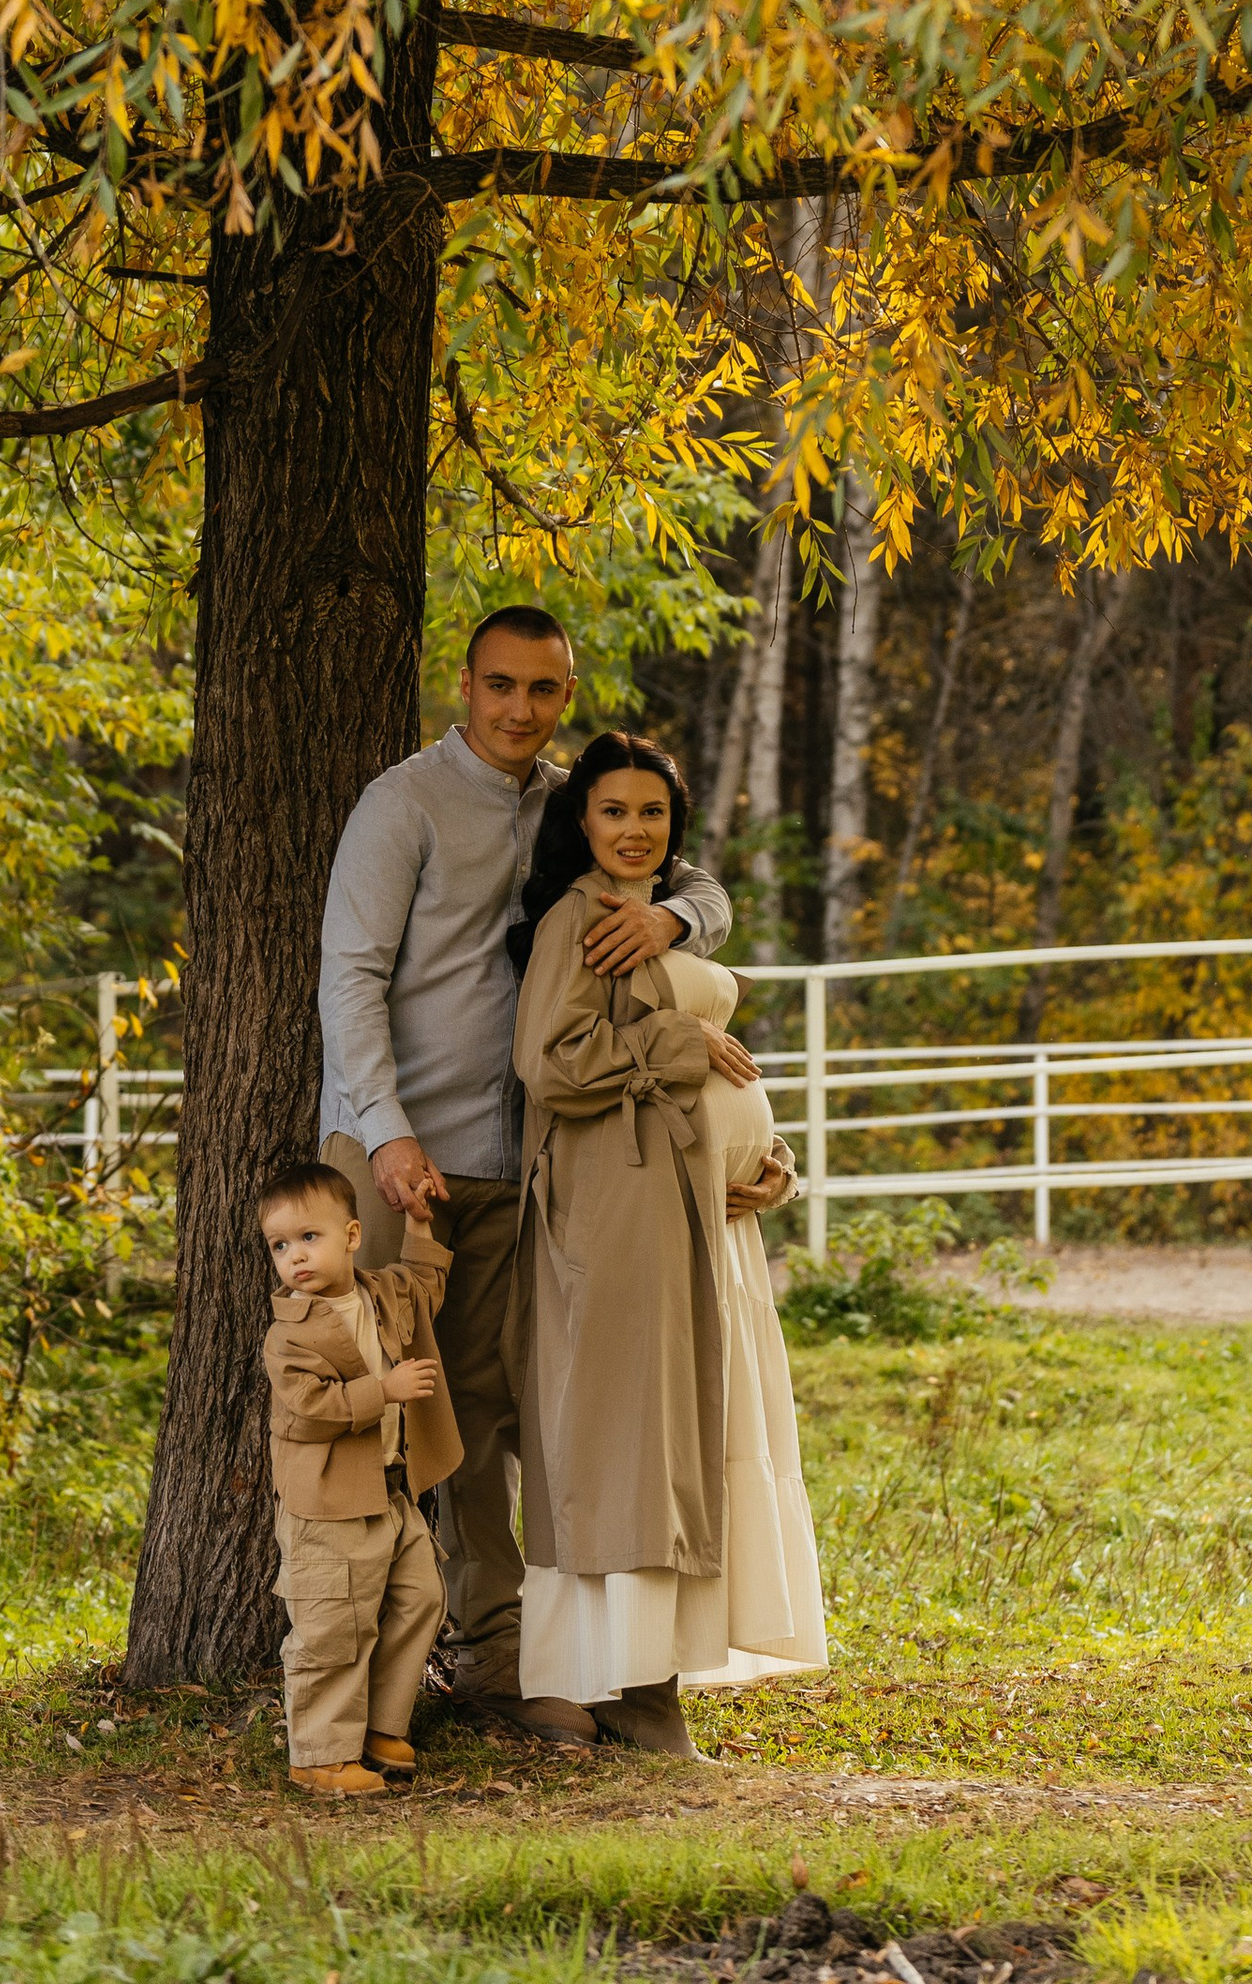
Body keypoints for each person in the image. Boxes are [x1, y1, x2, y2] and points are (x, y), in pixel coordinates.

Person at [317, 603, 795, 1748]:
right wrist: (386, 1134)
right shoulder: (404, 805)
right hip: (409, 1157)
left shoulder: (570, 806)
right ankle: (422, 1666)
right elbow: (350, 977)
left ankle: (564, 1653)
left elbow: (698, 879)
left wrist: (677, 917)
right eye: (500, 687)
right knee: (413, 1418)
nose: (520, 709)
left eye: (543, 689)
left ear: (564, 695)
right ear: (466, 686)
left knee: (533, 1409)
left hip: (533, 1165)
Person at [509, 728, 829, 1758]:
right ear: (581, 821)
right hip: (624, 1214)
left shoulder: (664, 918)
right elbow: (550, 1063)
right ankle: (630, 1694)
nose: (634, 830)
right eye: (613, 811)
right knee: (635, 1449)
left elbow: (718, 1065)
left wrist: (768, 1159)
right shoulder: (578, 922)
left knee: (691, 1442)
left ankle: (650, 1679)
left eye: (653, 813)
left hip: (701, 1216)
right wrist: (674, 1042)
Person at [258, 1155, 462, 1800]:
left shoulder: (379, 1294)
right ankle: (319, 1753)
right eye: (280, 1245)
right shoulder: (288, 1334)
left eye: (308, 1238)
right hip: (329, 1504)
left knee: (421, 1596)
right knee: (333, 1625)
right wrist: (386, 1389)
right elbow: (311, 1410)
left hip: (390, 1489)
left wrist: (421, 1227)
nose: (295, 1256)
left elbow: (425, 1282)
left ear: (351, 1235)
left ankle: (379, 1728)